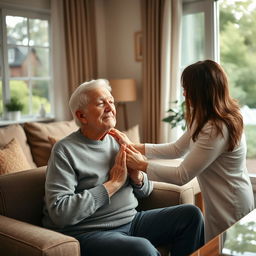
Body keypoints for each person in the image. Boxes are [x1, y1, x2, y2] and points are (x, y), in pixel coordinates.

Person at [42, 79, 204, 256]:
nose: (110, 108)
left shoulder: (117, 140)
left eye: (111, 101)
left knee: (191, 216)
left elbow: (146, 191)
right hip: (90, 232)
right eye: (101, 103)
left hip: (132, 221)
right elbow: (60, 211)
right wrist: (113, 185)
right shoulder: (65, 150)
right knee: (142, 250)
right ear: (82, 116)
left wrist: (138, 177)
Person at [110, 60, 255, 243]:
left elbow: (182, 175)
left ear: (201, 90)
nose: (184, 93)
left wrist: (141, 164)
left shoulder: (216, 127)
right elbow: (177, 149)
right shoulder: (205, 116)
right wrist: (134, 146)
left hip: (230, 203)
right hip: (221, 200)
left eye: (187, 88)